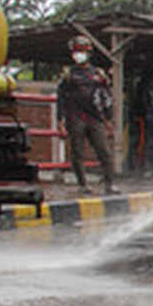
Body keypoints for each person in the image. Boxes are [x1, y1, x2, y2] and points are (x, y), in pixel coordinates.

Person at [56, 35, 119, 195]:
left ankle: (110, 184)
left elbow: (106, 97)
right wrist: (60, 120)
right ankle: (83, 184)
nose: (79, 55)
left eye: (82, 52)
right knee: (77, 152)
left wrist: (109, 120)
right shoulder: (68, 74)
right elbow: (61, 98)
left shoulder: (98, 74)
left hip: (95, 117)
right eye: (76, 52)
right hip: (75, 117)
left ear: (89, 53)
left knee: (104, 151)